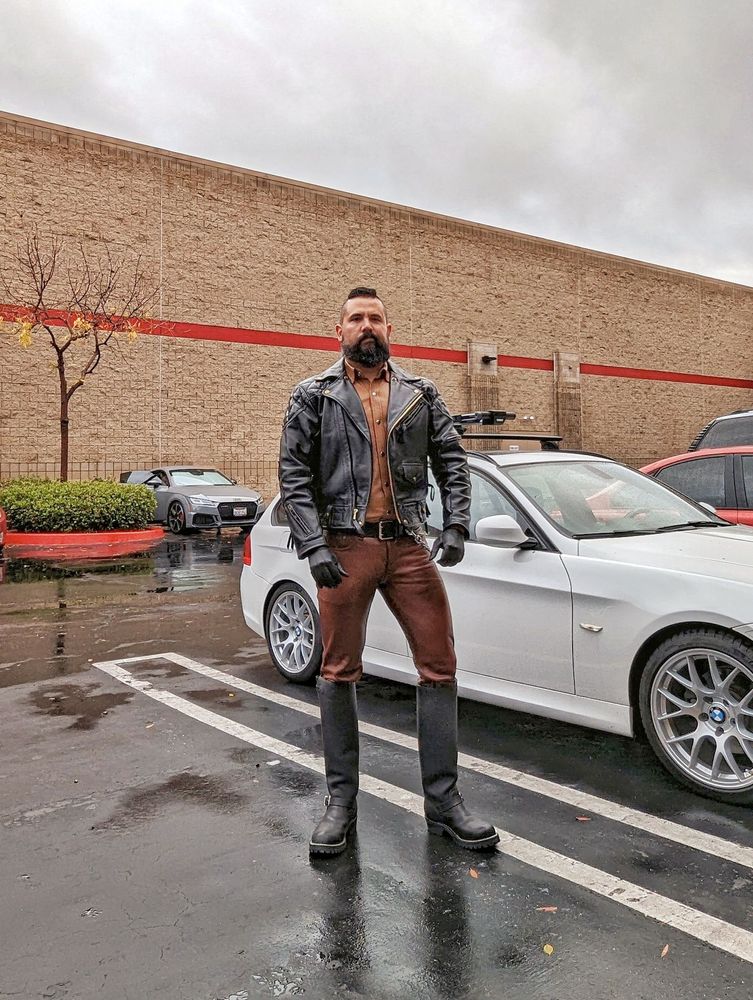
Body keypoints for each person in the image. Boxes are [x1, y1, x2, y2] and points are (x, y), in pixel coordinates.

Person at [279, 286, 499, 856]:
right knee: (337, 671)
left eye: (375, 317)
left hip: (406, 548)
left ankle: (444, 804)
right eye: (356, 318)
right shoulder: (314, 396)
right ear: (340, 331)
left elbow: (452, 461)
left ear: (389, 329)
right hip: (344, 549)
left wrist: (457, 525)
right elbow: (293, 475)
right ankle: (340, 805)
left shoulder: (419, 394)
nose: (366, 326)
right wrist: (313, 545)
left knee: (439, 664)